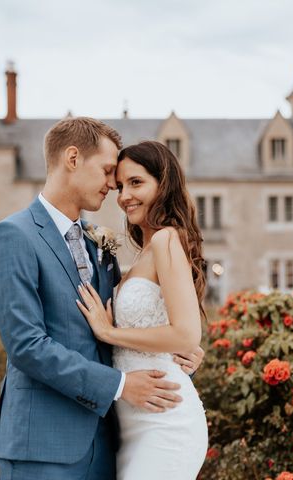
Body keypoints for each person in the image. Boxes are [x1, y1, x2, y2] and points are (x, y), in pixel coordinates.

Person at [0, 118, 204, 480]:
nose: (113, 188)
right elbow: (26, 345)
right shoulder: (13, 235)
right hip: (43, 443)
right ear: (72, 158)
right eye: (107, 173)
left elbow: (122, 322)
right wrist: (119, 386)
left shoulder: (98, 243)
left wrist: (179, 350)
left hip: (108, 443)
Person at [76, 140, 209, 479]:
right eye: (120, 186)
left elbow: (186, 333)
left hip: (165, 421)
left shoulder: (166, 240)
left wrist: (108, 331)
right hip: (132, 424)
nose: (124, 196)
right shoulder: (143, 252)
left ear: (163, 184)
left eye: (136, 183)